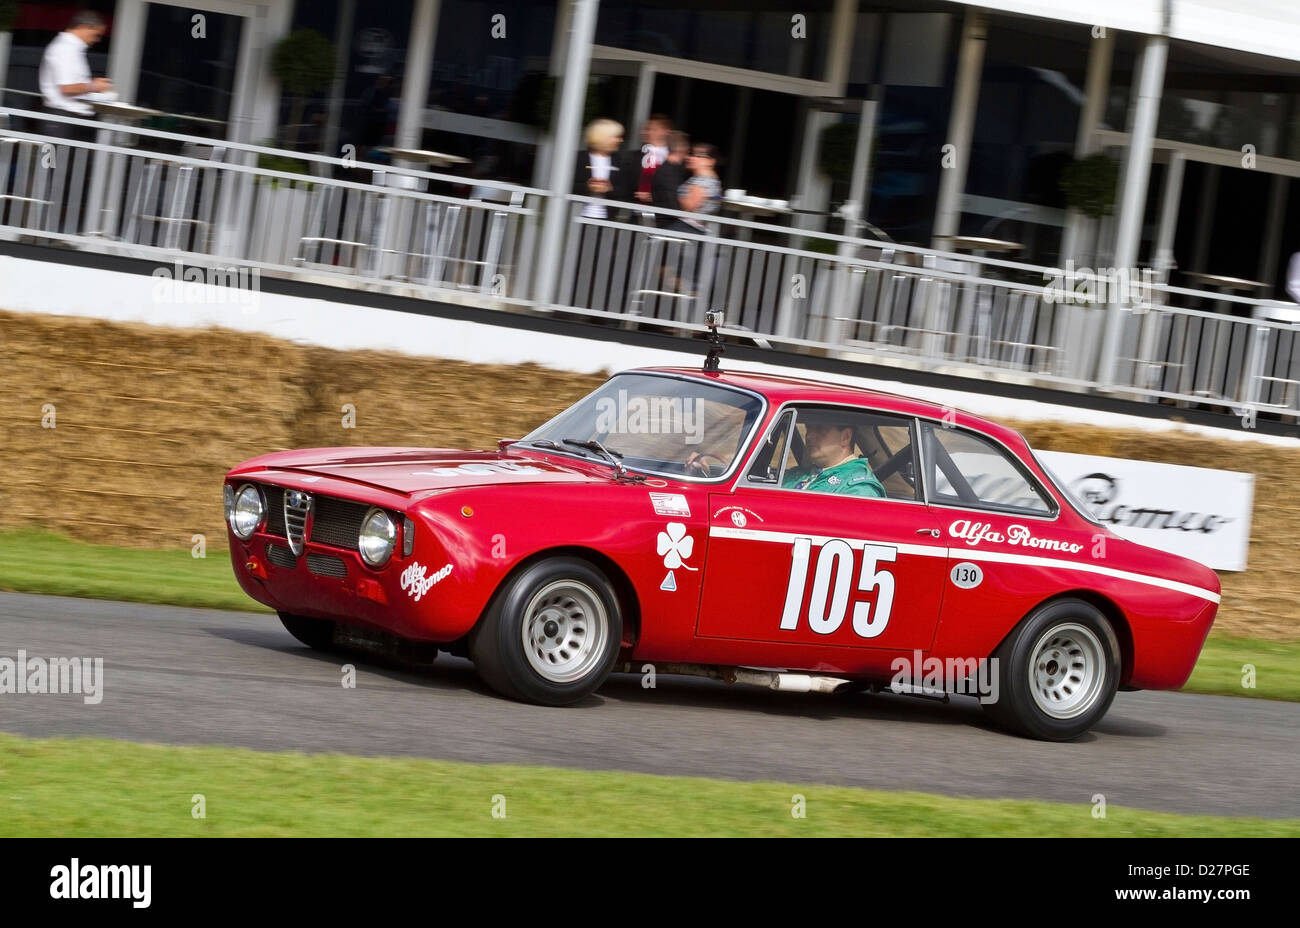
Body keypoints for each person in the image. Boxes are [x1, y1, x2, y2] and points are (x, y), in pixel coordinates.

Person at [39, 10, 111, 141]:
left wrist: (94, 89)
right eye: (96, 34)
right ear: (84, 27)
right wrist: (95, 86)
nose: (97, 40)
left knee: (62, 161)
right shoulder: (65, 49)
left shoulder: (71, 48)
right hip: (62, 121)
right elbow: (67, 88)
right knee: (57, 161)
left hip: (65, 120)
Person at [782, 418, 886, 498]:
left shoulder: (859, 490)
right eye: (808, 427)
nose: (809, 435)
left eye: (820, 429)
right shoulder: (797, 473)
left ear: (845, 437)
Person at [574, 119, 628, 219]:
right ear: (604, 138)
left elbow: (625, 192)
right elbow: (566, 186)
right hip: (577, 217)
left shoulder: (619, 161)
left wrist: (609, 189)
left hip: (606, 220)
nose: (621, 140)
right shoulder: (579, 158)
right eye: (617, 137)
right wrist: (588, 187)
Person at [625, 113, 672, 204]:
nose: (645, 132)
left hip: (661, 213)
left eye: (652, 129)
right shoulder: (633, 156)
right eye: (646, 129)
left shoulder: (674, 158)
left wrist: (655, 197)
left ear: (666, 131)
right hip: (633, 209)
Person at [651, 131, 690, 227]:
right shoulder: (668, 173)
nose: (688, 156)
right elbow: (673, 206)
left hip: (669, 223)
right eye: (688, 151)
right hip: (669, 226)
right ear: (682, 150)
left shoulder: (670, 170)